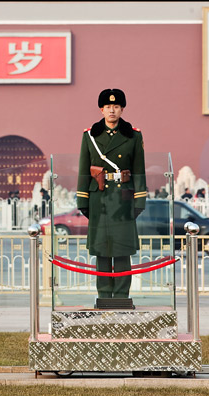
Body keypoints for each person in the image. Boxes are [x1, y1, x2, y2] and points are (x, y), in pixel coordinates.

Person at [76, 88, 146, 301]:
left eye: (116, 107)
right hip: (100, 199)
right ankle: (105, 295)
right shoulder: (90, 135)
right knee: (102, 251)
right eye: (108, 107)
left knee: (122, 250)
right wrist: (83, 200)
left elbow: (138, 170)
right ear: (101, 109)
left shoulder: (133, 135)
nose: (112, 111)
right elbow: (83, 169)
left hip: (122, 198)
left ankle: (122, 296)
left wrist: (139, 200)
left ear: (122, 109)